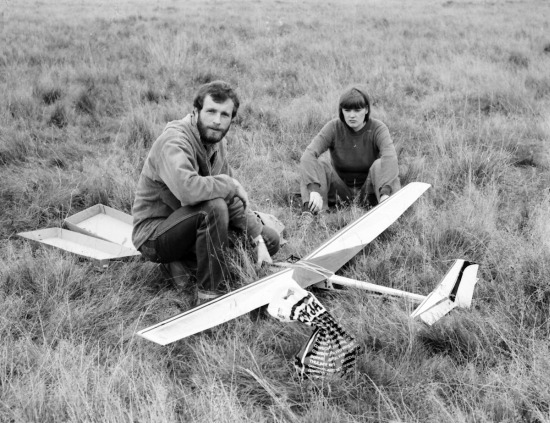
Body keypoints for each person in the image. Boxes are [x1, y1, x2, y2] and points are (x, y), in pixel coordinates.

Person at [132, 81, 280, 305]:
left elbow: (231, 197)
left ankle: (184, 265)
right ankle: (210, 296)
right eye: (211, 111)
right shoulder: (174, 140)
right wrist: (228, 184)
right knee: (213, 207)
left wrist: (258, 237)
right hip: (156, 236)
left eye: (225, 115)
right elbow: (189, 192)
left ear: (232, 118)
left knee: (270, 240)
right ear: (196, 111)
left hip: (193, 225)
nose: (217, 121)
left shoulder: (216, 141)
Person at [300, 86, 401, 216]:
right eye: (347, 110)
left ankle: (389, 211)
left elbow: (390, 157)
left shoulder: (378, 128)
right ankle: (313, 214)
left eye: (357, 110)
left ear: (366, 110)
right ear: (342, 111)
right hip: (340, 190)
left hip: (369, 190)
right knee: (317, 165)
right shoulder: (333, 127)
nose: (352, 115)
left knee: (382, 164)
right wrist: (314, 189)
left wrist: (385, 192)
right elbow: (308, 155)